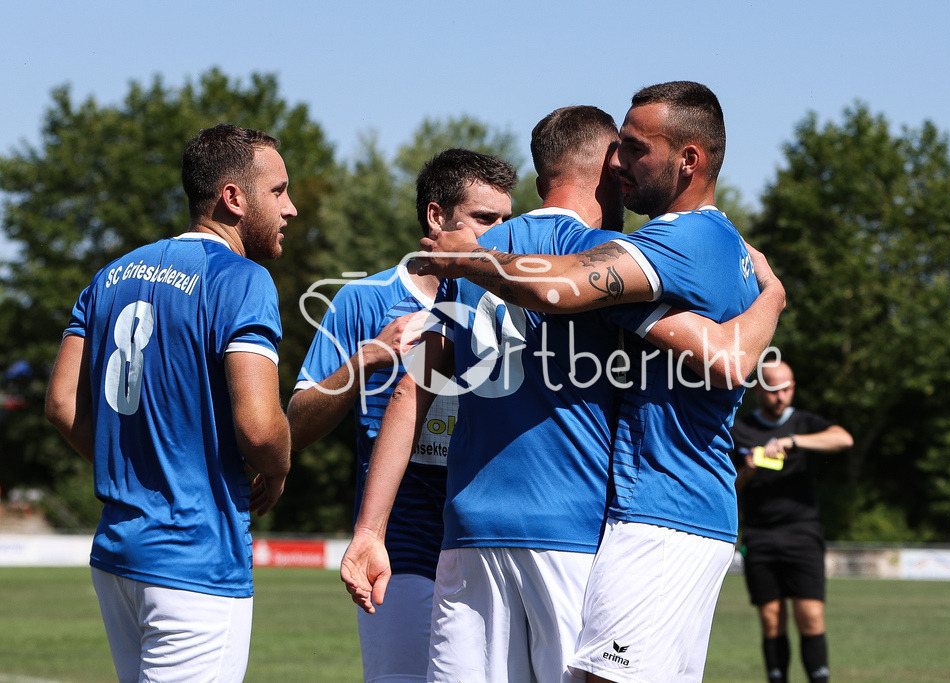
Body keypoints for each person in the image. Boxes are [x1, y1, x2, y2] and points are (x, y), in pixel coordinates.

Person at [345, 99, 783, 682]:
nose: (627, 171)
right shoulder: (609, 266)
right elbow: (724, 355)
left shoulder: (485, 254)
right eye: (622, 156)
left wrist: (369, 532)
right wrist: (772, 297)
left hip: (468, 535)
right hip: (572, 534)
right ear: (607, 167)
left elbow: (410, 391)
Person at [44, 124, 294, 681]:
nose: (291, 208)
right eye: (278, 191)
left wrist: (134, 473)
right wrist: (279, 466)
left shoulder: (109, 275)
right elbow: (257, 428)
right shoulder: (241, 278)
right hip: (193, 558)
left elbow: (61, 404)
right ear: (233, 198)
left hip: (118, 553)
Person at [288, 148, 516, 683]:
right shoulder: (362, 299)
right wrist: (368, 357)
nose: (501, 234)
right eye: (486, 219)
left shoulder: (513, 303)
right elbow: (295, 424)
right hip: (402, 545)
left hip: (489, 542)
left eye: (508, 220)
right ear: (437, 218)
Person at [730, 360, 853, 683]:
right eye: (773, 389)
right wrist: (750, 469)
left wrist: (792, 441)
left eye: (787, 388)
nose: (781, 396)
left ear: (793, 387)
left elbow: (844, 439)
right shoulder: (739, 429)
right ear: (759, 389)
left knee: (810, 616)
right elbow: (731, 487)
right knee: (771, 620)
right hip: (760, 535)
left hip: (803, 532)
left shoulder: (804, 422)